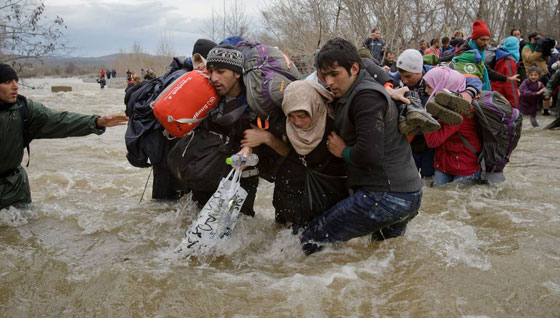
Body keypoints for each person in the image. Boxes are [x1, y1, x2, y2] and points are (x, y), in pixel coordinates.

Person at [299, 38, 422, 255]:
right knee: (380, 255)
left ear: (354, 68)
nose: (329, 82)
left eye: (334, 74)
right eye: (324, 75)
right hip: (408, 193)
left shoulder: (365, 97)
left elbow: (370, 154)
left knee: (311, 239)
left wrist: (342, 151)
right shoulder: (361, 89)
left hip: (386, 195)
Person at [0, 63, 129, 210]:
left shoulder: (24, 110)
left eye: (16, 81)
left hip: (16, 188)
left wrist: (97, 122)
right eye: (7, 82)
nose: (15, 86)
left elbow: (61, 120)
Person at [269, 80, 346, 230]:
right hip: (290, 188)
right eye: (291, 115)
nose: (297, 122)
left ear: (315, 107)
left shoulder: (335, 124)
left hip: (327, 193)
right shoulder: (282, 124)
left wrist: (343, 152)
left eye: (303, 115)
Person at [423, 67, 482, 186]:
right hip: (445, 162)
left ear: (443, 86)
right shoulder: (444, 105)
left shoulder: (460, 110)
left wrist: (424, 120)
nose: (426, 91)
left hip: (464, 167)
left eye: (430, 87)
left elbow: (433, 141)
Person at [452, 20, 519, 91]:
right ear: (474, 39)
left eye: (487, 40)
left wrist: (506, 78)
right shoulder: (465, 53)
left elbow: (486, 69)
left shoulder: (480, 52)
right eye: (483, 40)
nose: (486, 43)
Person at [490, 36, 520, 108]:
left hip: (494, 93)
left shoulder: (500, 55)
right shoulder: (509, 61)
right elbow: (510, 86)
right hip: (502, 97)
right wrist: (514, 106)